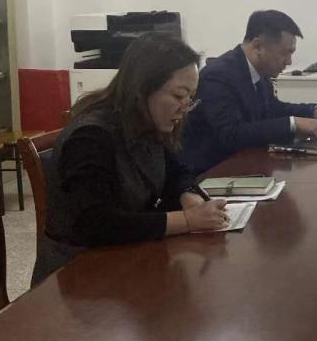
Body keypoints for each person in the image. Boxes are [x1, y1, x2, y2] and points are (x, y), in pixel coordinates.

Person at [32, 34, 229, 285]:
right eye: (178, 96)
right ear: (142, 89)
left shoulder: (146, 121)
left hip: (125, 255)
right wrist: (188, 220)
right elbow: (97, 224)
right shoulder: (90, 137)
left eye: (190, 98)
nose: (184, 108)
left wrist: (188, 195)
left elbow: (175, 171)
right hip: (77, 275)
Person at [183, 10, 317, 174]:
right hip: (215, 171)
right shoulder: (218, 76)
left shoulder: (259, 71)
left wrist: (313, 111)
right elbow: (231, 134)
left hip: (246, 164)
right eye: (285, 53)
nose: (289, 62)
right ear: (258, 46)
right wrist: (292, 124)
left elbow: (272, 109)